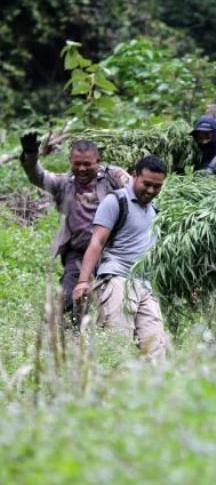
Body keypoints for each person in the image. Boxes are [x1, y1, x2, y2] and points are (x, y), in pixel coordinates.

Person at [19, 134, 129, 322]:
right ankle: (71, 339)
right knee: (68, 301)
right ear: (70, 161)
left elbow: (136, 192)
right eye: (77, 163)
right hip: (77, 253)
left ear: (98, 161)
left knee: (111, 303)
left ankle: (105, 338)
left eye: (88, 164)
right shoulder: (65, 183)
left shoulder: (113, 178)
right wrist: (31, 154)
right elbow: (38, 176)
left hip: (111, 253)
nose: (82, 168)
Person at [72, 155, 171, 361]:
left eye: (157, 186)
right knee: (118, 345)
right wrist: (82, 281)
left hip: (145, 284)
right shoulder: (116, 201)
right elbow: (97, 242)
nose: (151, 190)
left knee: (157, 350)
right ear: (134, 176)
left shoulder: (155, 211)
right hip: (117, 279)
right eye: (147, 184)